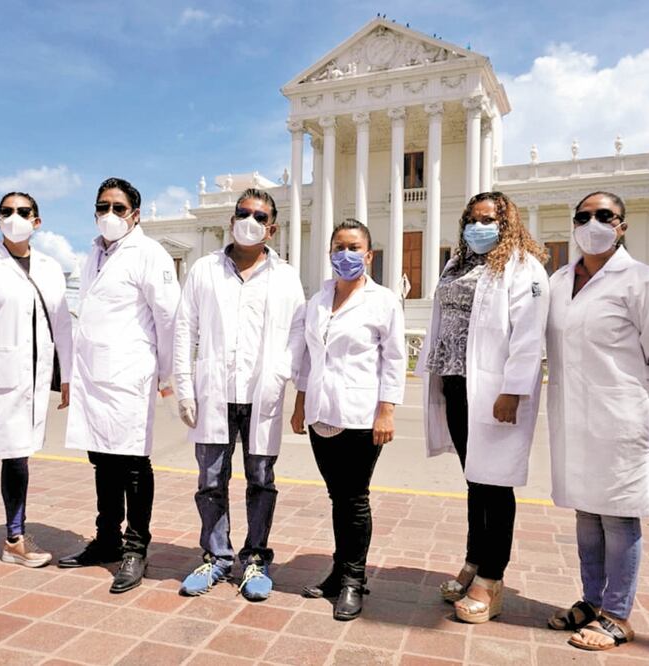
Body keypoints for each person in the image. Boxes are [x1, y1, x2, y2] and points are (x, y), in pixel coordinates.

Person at [546, 191, 649, 651]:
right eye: (583, 216)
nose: (593, 223)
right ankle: (592, 601)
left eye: (604, 215)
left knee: (619, 516)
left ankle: (619, 615)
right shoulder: (560, 280)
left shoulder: (642, 280)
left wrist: (641, 390)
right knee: (587, 513)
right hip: (574, 416)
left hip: (620, 414)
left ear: (622, 225)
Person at [416, 191, 549, 623]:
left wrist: (513, 390)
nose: (478, 226)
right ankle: (474, 560)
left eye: (488, 219)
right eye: (472, 219)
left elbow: (529, 334)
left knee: (496, 483)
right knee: (476, 479)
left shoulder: (522, 266)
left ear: (506, 223)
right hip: (457, 384)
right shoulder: (457, 263)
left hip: (495, 390)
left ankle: (492, 577)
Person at [173, 188, 304, 601]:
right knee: (211, 480)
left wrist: (281, 373)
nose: (250, 221)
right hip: (214, 393)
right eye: (243, 213)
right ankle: (216, 556)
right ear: (231, 221)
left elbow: (298, 331)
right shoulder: (204, 270)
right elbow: (184, 328)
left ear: (272, 228)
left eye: (260, 216)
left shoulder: (285, 276)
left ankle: (255, 559)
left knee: (261, 480)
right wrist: (184, 386)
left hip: (261, 394)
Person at [59, 178, 180, 594]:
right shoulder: (93, 252)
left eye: (118, 207)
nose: (109, 214)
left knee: (131, 463)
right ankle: (107, 538)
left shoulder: (149, 254)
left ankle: (135, 547)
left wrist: (166, 374)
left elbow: (169, 319)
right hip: (94, 376)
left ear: (135, 215)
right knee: (102, 460)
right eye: (102, 206)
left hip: (130, 374)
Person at [0, 192, 73, 590]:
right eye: (6, 211)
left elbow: (62, 325)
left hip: (32, 382)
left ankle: (14, 540)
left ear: (37, 221)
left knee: (19, 457)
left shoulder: (50, 268)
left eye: (23, 211)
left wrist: (67, 377)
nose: (14, 217)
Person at [290, 219, 406, 621]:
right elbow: (308, 356)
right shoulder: (318, 299)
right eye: (339, 247)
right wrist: (300, 403)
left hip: (361, 415)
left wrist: (387, 410)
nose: (346, 254)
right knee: (337, 496)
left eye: (354, 247)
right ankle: (339, 572)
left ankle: (354, 579)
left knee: (355, 498)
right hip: (321, 412)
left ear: (369, 255)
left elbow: (395, 358)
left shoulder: (383, 300)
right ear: (329, 253)